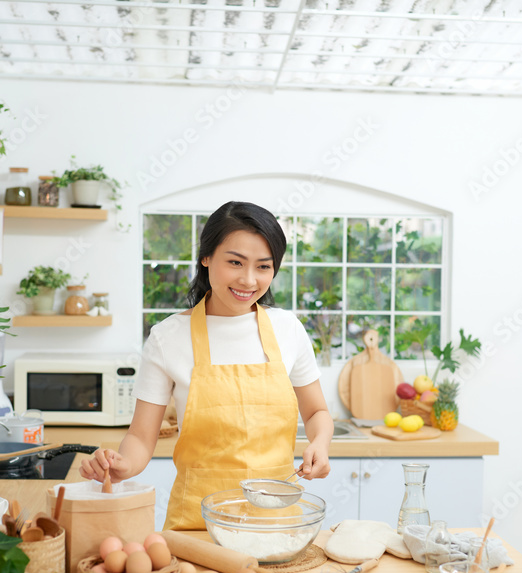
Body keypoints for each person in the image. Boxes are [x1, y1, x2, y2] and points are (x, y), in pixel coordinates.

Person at [80, 201, 334, 529]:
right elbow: (142, 436)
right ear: (206, 257)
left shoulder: (288, 330)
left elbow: (316, 413)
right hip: (197, 525)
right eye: (234, 262)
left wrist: (320, 443)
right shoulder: (167, 337)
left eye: (263, 267)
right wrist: (122, 465)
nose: (248, 280)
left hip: (277, 523)